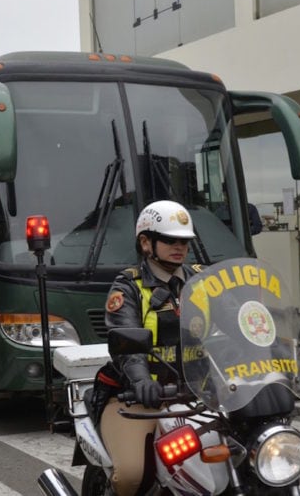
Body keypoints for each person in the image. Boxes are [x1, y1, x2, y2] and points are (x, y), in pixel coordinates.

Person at [100, 200, 200, 496]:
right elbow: (127, 344)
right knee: (131, 475)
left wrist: (282, 361)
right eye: (170, 239)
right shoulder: (128, 286)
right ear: (146, 242)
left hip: (199, 396)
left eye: (184, 241)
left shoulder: (203, 279)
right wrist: (141, 379)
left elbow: (237, 327)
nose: (179, 246)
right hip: (139, 399)